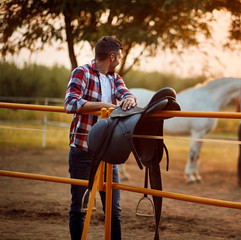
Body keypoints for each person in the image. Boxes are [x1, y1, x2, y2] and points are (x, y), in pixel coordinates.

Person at [64, 36, 137, 240]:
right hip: (82, 150)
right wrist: (106, 107)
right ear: (112, 57)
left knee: (114, 210)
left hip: (107, 154)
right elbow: (70, 104)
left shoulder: (115, 78)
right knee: (79, 208)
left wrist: (129, 99)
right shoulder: (81, 72)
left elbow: (126, 94)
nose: (120, 61)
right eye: (119, 57)